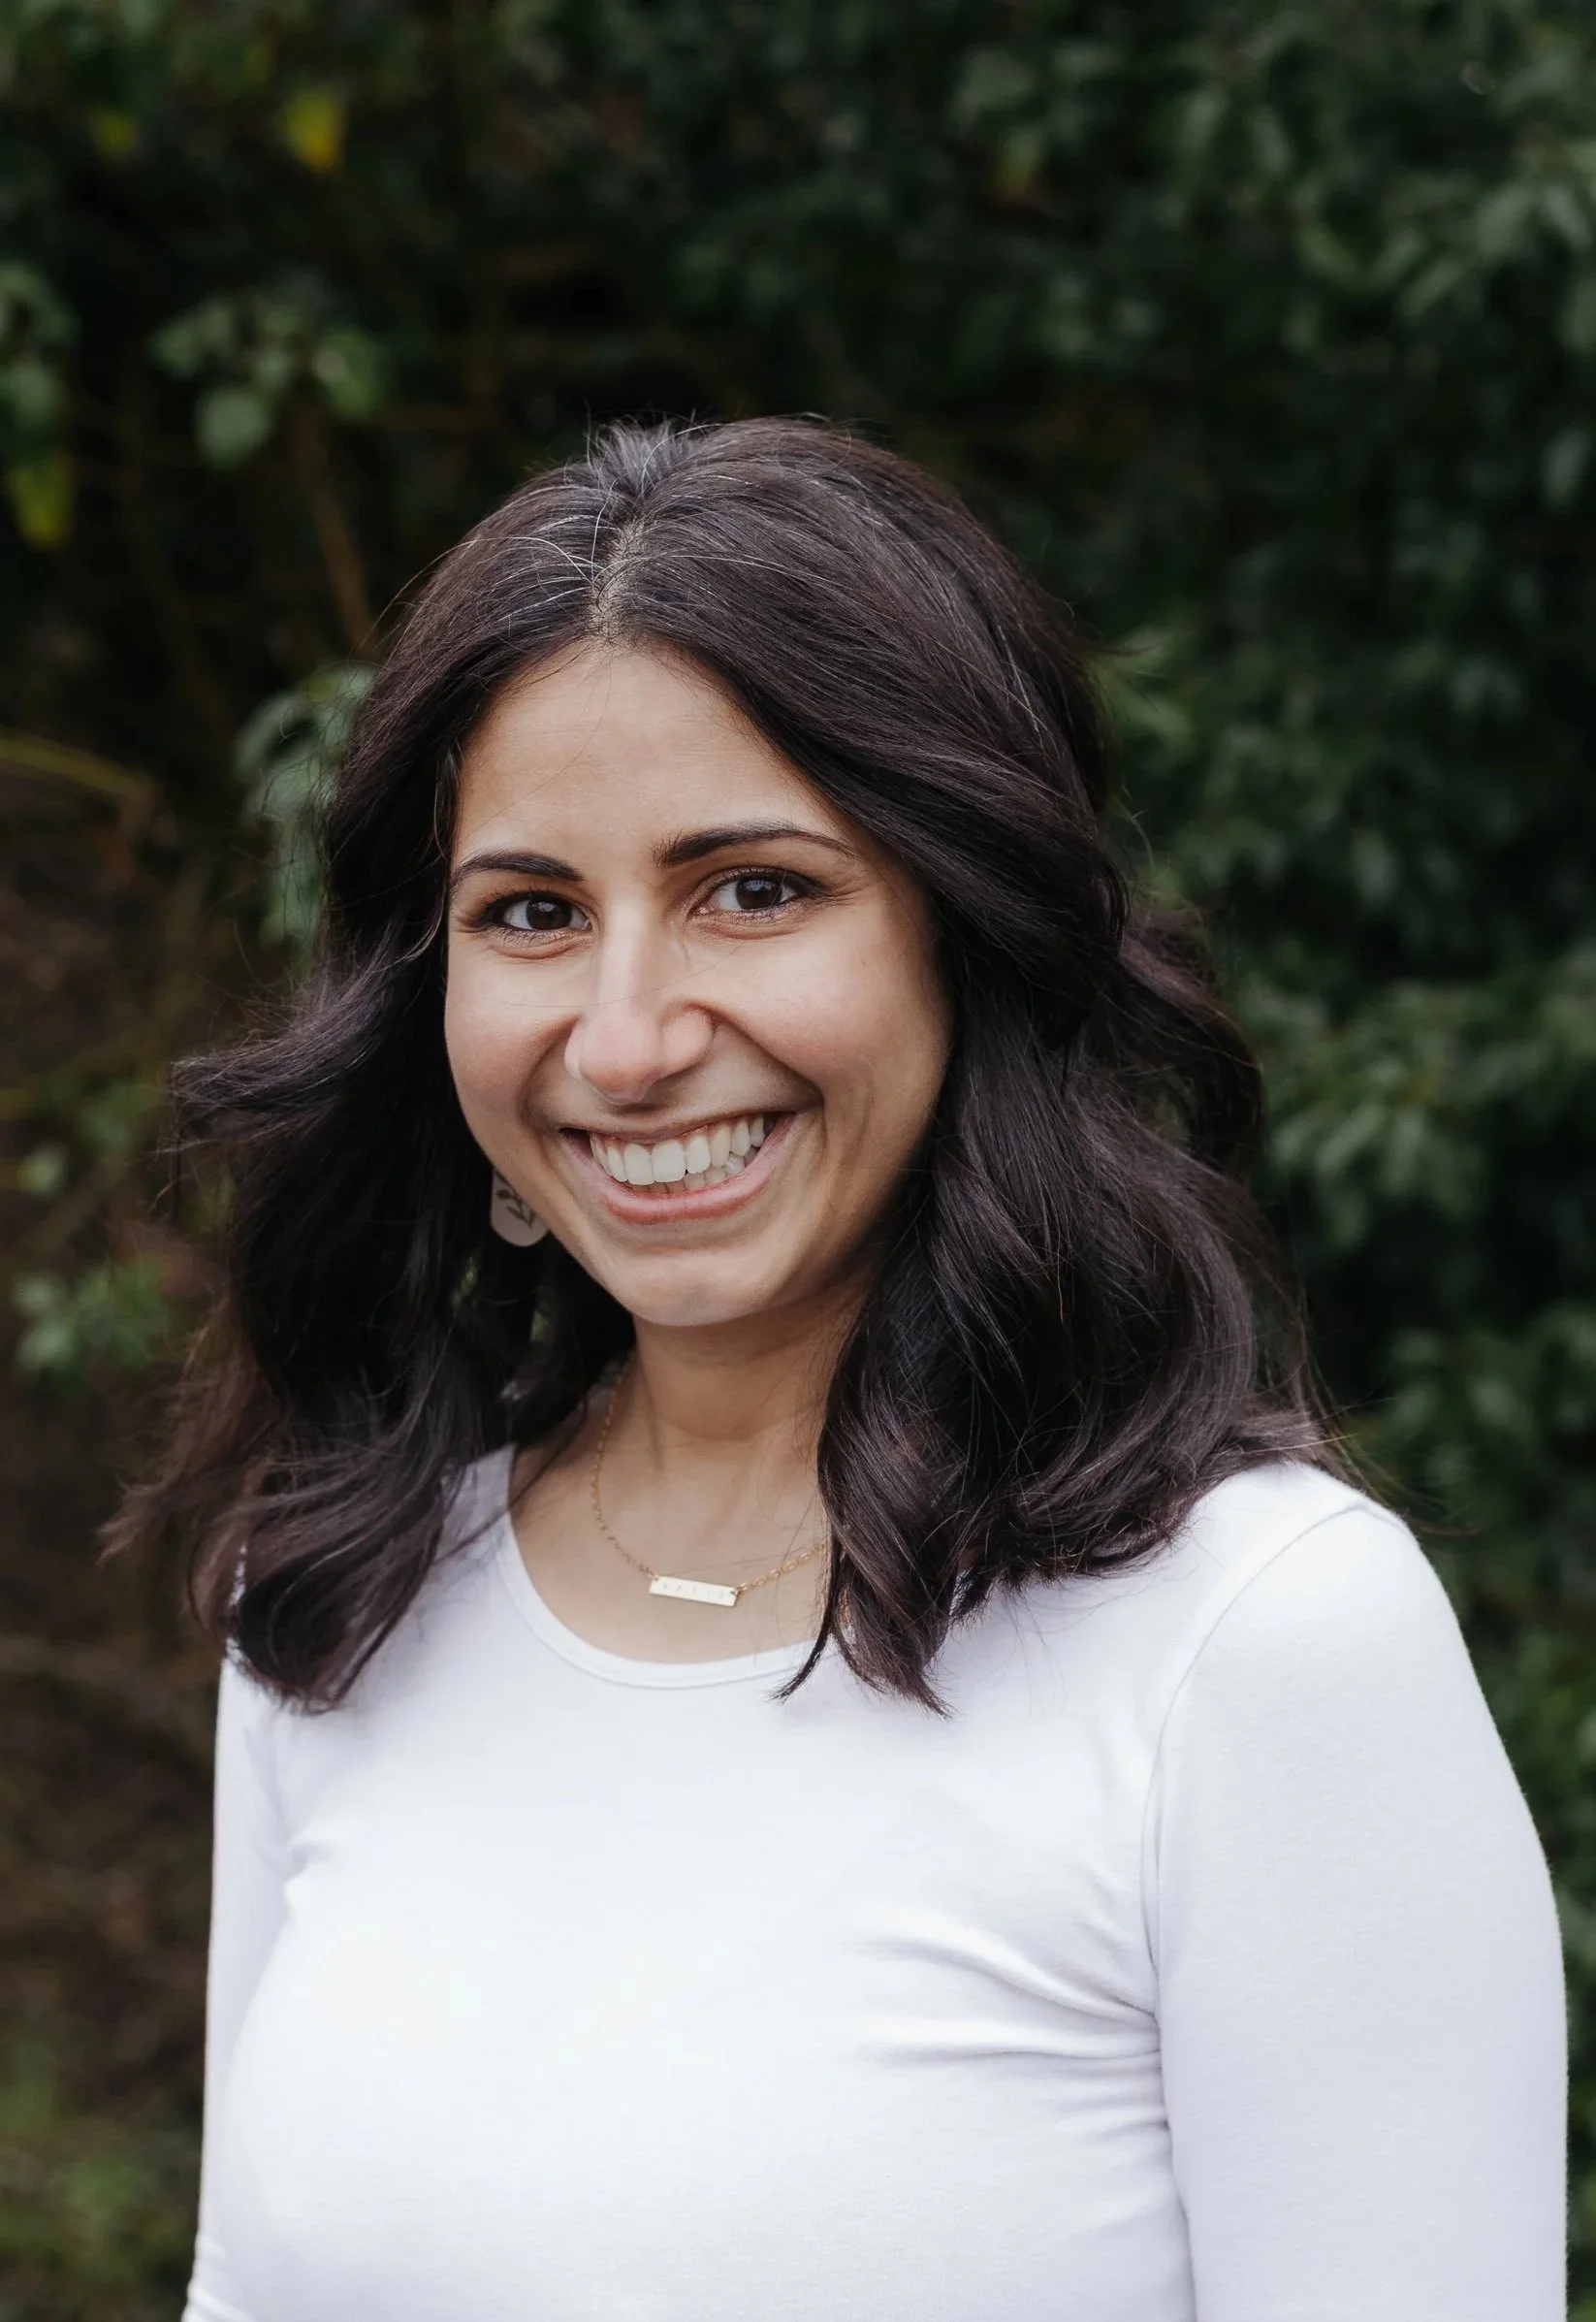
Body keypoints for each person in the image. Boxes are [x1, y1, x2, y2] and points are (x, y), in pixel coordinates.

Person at [116, 418, 1565, 2322]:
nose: (626, 1041)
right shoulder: (344, 1602)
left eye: (753, 889)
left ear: (964, 931)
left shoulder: (1258, 1648)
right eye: (533, 913)